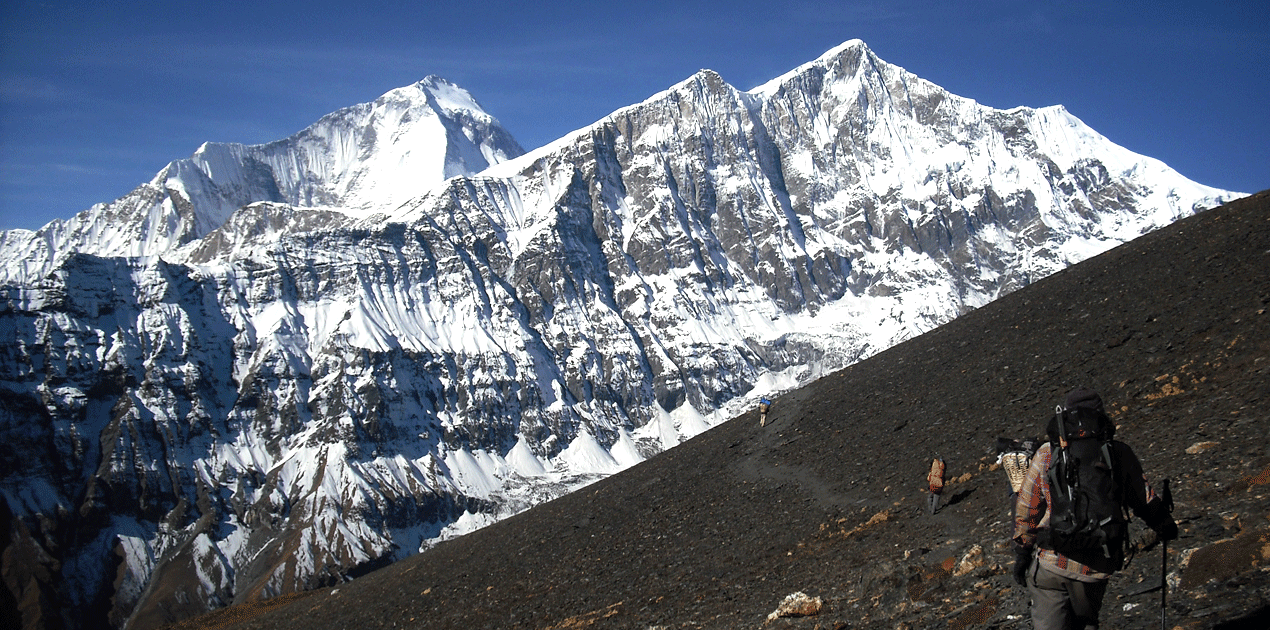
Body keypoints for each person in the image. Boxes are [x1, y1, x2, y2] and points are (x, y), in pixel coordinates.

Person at [1012, 388, 1178, 630]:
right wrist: (1164, 524)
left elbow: (1027, 509)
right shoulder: (1117, 453)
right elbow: (1143, 498)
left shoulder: (1048, 453)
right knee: (1086, 623)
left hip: (1052, 561)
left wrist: (1022, 553)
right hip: (1096, 566)